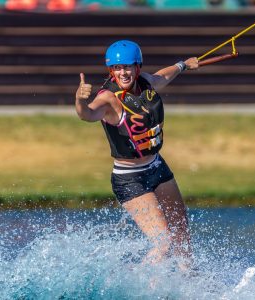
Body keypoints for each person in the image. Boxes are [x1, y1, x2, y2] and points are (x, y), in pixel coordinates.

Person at [75, 40, 199, 270]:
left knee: (181, 231)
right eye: (118, 68)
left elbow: (163, 76)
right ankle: (139, 288)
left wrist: (183, 64)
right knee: (164, 243)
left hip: (157, 167)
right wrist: (80, 100)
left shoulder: (145, 83)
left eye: (128, 67)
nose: (123, 73)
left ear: (137, 68)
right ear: (111, 71)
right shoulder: (107, 99)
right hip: (130, 178)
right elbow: (87, 115)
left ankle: (190, 281)